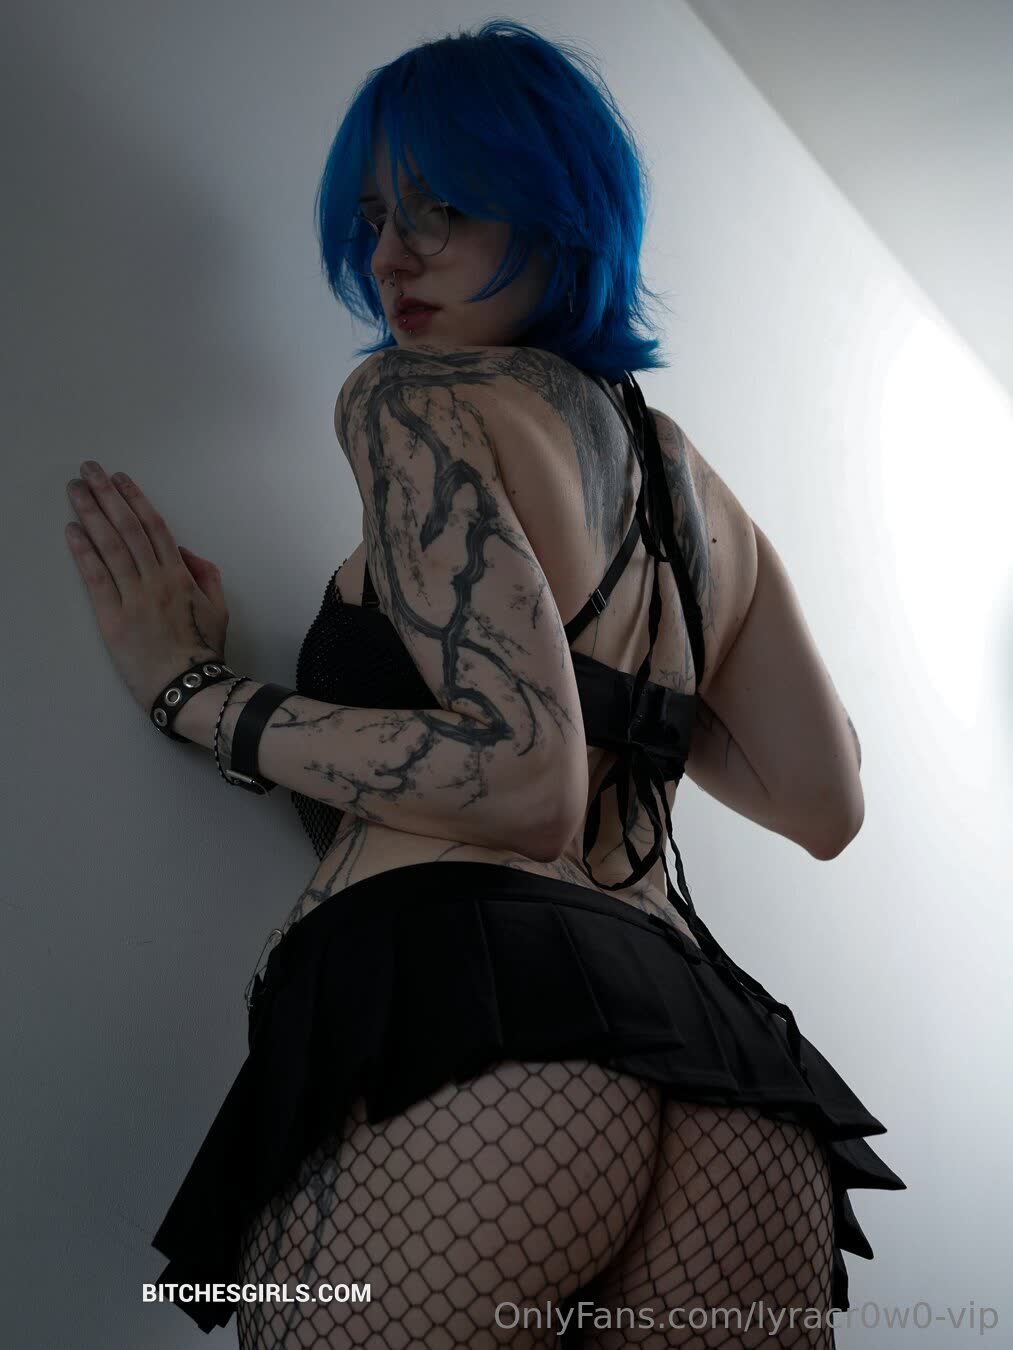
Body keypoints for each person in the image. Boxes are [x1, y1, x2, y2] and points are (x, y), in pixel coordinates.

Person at [150, 20, 904, 1347]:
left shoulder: (413, 399)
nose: (390, 257)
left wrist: (197, 693)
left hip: (484, 1029)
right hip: (727, 1082)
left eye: (439, 208)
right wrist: (639, 691)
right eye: (374, 217)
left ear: (561, 209)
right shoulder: (690, 484)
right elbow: (822, 799)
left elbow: (520, 775)